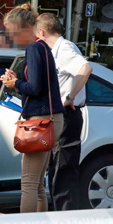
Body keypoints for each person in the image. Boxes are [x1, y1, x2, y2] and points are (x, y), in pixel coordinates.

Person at [0, 4, 64, 214]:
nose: (13, 38)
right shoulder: (43, 47)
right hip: (50, 119)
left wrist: (14, 84)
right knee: (37, 186)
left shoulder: (34, 48)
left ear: (28, 27)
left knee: (28, 184)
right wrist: (18, 81)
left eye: (15, 32)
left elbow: (35, 88)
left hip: (40, 121)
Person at [36, 14, 92, 212]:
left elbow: (85, 68)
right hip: (61, 116)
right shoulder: (58, 49)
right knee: (57, 174)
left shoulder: (64, 48)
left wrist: (70, 97)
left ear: (41, 32)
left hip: (67, 115)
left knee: (63, 175)